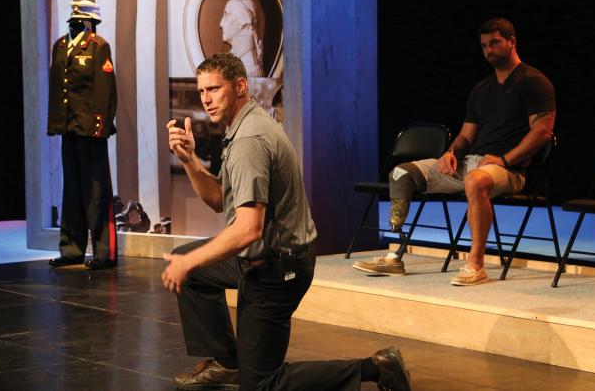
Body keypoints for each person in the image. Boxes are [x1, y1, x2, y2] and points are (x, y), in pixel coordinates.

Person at [162, 52, 411, 390]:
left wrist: (187, 261)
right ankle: (228, 363)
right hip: (258, 260)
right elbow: (221, 200)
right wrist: (189, 159)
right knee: (194, 274)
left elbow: (248, 228)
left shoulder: (249, 139)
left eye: (214, 89)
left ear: (239, 86)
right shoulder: (244, 126)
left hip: (277, 270)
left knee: (263, 384)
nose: (206, 100)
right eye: (202, 91)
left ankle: (377, 368)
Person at [353, 17, 556, 285]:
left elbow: (542, 131)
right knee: (401, 173)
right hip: (471, 164)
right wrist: (451, 154)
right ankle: (396, 252)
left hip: (509, 170)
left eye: (494, 43)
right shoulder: (481, 89)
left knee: (476, 180)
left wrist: (505, 158)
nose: (488, 50)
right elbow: (465, 135)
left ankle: (476, 265)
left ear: (511, 42)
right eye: (484, 46)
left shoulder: (533, 81)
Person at [47, 0, 119, 270]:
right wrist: (56, 123)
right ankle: (71, 249)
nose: (75, 23)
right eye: (73, 19)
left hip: (91, 131)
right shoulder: (61, 46)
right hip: (69, 128)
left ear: (89, 22)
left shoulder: (98, 47)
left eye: (80, 19)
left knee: (97, 192)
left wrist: (99, 127)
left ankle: (105, 253)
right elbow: (58, 88)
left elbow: (106, 90)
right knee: (72, 191)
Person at [220, 0, 265, 77]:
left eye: (227, 14)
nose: (221, 23)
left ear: (243, 21)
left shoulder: (249, 70)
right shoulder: (236, 63)